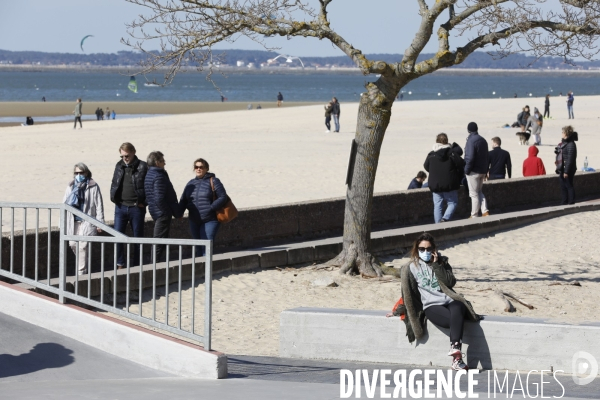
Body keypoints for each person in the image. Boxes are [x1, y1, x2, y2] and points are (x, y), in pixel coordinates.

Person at [387, 232, 480, 371]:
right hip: (432, 306)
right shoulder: (410, 268)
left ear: (434, 249)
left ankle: (455, 350)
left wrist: (436, 265)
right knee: (456, 319)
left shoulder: (442, 261)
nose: (425, 252)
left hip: (449, 301)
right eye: (422, 249)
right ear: (417, 250)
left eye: (429, 249)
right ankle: (457, 359)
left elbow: (450, 282)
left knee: (459, 306)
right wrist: (396, 311)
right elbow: (408, 294)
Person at [110, 142, 148, 268]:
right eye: (122, 156)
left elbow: (149, 187)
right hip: (120, 206)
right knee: (118, 236)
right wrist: (113, 197)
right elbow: (114, 182)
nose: (124, 159)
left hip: (136, 207)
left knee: (138, 238)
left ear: (133, 152)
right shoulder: (119, 165)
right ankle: (120, 264)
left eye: (127, 156)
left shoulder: (143, 166)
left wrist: (145, 202)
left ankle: (137, 265)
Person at [179, 158, 229, 256]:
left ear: (206, 168)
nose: (198, 169)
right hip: (194, 219)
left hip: (210, 219)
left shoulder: (214, 181)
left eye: (201, 167)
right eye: (196, 167)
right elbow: (183, 200)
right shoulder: (190, 183)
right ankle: (200, 270)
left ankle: (208, 270)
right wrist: (179, 212)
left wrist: (211, 208)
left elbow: (223, 197)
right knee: (198, 247)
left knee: (206, 247)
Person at [62, 163, 104, 275]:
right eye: (77, 173)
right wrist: (62, 223)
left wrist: (100, 223)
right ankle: (84, 266)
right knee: (73, 244)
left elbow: (99, 205)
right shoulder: (71, 186)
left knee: (83, 246)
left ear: (86, 173)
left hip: (87, 221)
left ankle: (81, 273)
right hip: (73, 221)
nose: (79, 175)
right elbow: (64, 204)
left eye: (81, 172)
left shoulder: (93, 186)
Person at [144, 151, 182, 261]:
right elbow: (159, 198)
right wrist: (166, 212)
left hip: (155, 211)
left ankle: (155, 264)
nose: (164, 163)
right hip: (161, 213)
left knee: (160, 239)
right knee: (159, 240)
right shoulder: (158, 176)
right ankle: (154, 266)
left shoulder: (149, 174)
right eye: (163, 161)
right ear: (157, 163)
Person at [423, 133, 464, 223]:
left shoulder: (431, 154)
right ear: (446, 141)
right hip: (449, 183)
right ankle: (445, 219)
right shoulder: (452, 153)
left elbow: (426, 167)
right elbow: (461, 163)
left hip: (435, 184)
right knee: (452, 202)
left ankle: (438, 225)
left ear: (437, 141)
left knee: (438, 205)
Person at [464, 122, 490, 218]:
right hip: (482, 170)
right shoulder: (483, 140)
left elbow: (470, 158)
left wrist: (466, 170)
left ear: (468, 130)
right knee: (479, 191)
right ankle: (485, 211)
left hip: (473, 171)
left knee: (473, 193)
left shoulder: (471, 141)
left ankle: (474, 214)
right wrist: (486, 169)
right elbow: (487, 156)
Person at [555, 125, 578, 204]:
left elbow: (570, 159)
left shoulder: (571, 144)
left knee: (569, 185)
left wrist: (566, 171)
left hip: (568, 169)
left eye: (563, 132)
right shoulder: (564, 143)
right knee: (563, 186)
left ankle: (571, 201)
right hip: (562, 167)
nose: (562, 133)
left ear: (566, 133)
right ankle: (564, 201)